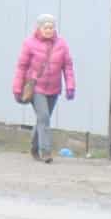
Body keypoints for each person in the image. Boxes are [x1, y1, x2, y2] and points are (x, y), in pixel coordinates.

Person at [12, 15, 76, 163]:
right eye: (46, 27)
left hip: (54, 89)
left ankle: (34, 148)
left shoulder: (62, 44)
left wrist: (70, 86)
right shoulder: (29, 44)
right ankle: (45, 152)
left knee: (42, 119)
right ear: (39, 28)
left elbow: (68, 67)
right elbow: (22, 67)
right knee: (44, 118)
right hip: (36, 87)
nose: (49, 30)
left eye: (51, 27)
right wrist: (17, 88)